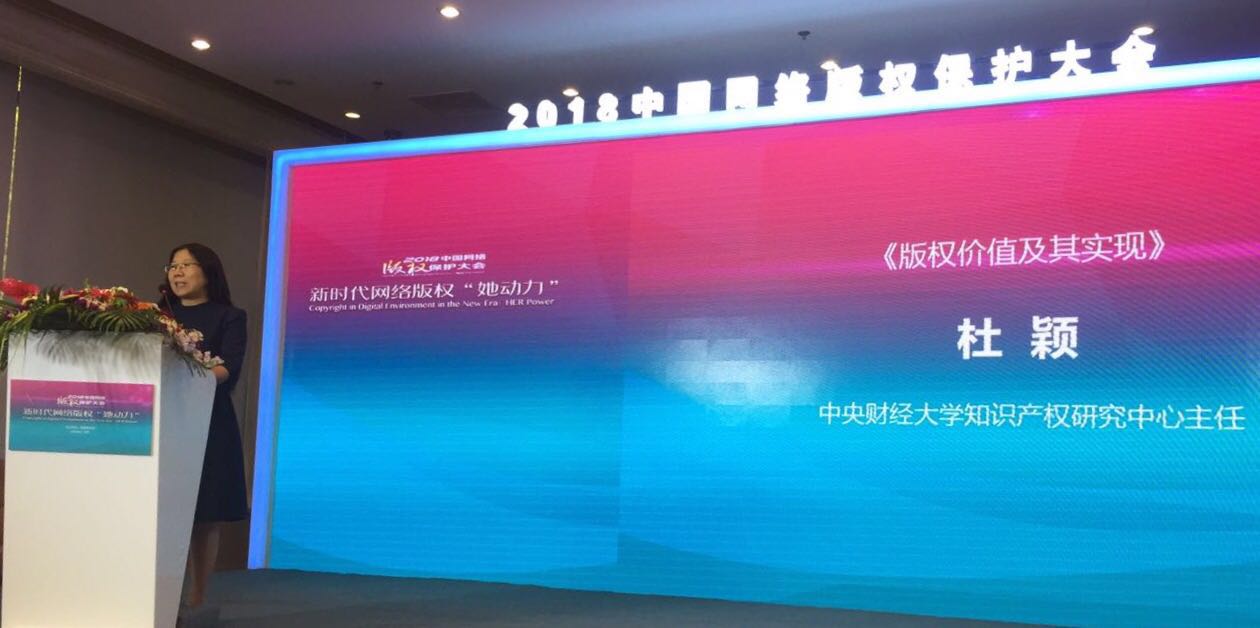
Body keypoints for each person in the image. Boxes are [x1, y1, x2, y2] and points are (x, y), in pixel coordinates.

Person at [161, 243, 248, 614]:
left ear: (208, 271)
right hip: (162, 419)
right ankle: (162, 595)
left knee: (204, 513)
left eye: (187, 265)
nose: (177, 272)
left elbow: (229, 368)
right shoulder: (155, 316)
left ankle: (197, 597)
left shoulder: (230, 316)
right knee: (163, 511)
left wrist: (188, 378)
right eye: (173, 266)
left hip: (209, 422)